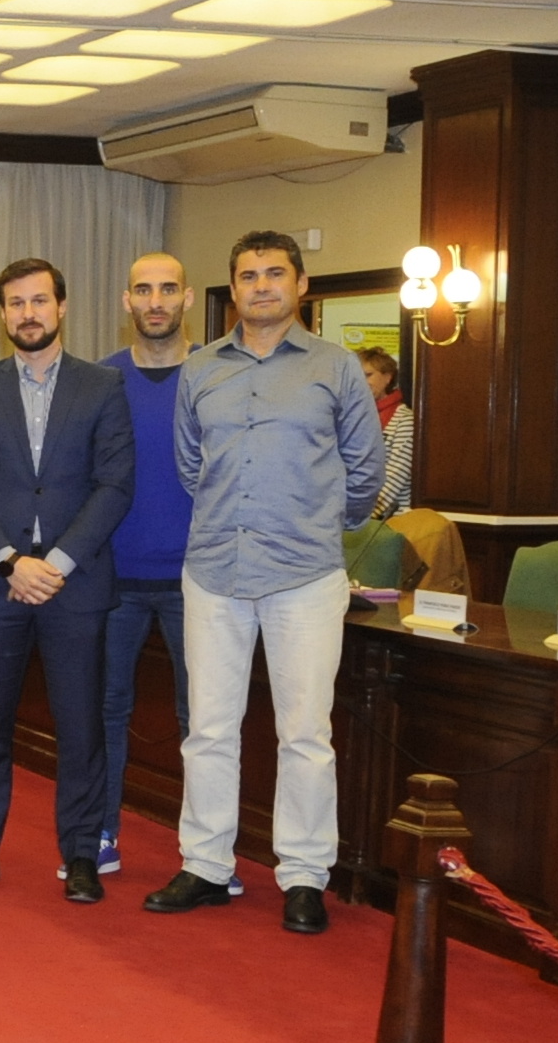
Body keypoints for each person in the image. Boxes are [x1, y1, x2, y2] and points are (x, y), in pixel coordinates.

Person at [149, 231, 384, 936]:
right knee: (209, 730)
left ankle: (305, 875)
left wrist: (316, 523)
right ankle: (206, 864)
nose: (261, 287)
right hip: (214, 571)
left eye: (274, 273)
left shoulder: (335, 367)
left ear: (301, 284)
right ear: (233, 289)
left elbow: (365, 470)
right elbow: (191, 466)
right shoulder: (200, 369)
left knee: (305, 733)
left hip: (304, 576)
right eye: (248, 276)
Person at [0, 257, 134, 905]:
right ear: (2, 314)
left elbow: (115, 484)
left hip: (75, 585)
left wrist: (56, 563)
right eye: (16, 303)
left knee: (81, 729)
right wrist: (9, 561)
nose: (28, 313)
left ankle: (81, 854)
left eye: (39, 301)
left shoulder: (102, 385)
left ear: (62, 306)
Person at [95, 252, 198, 886]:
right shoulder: (100, 380)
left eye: (167, 289)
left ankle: (206, 852)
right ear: (126, 301)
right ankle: (100, 832)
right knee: (105, 712)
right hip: (114, 579)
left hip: (200, 583)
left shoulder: (217, 375)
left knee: (203, 722)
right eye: (142, 290)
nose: (155, 301)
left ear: (187, 298)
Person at [362, 347, 415, 519]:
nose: (361, 381)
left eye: (368, 375)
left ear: (387, 377)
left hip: (391, 519)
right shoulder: (350, 418)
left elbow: (395, 476)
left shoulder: (404, 419)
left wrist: (362, 517)